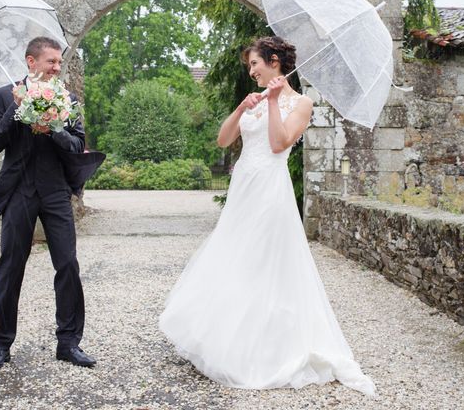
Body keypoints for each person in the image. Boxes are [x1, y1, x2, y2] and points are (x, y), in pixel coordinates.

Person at [159, 36, 375, 395]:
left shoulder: (301, 103)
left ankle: (266, 347)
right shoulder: (255, 98)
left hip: (270, 190)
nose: (251, 71)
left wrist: (274, 103)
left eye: (255, 64)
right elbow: (224, 141)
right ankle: (226, 338)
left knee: (264, 260)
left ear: (273, 61)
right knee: (235, 256)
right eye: (249, 67)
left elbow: (278, 143)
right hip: (245, 186)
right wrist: (243, 108)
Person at [0, 37, 95, 372]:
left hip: (56, 191)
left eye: (59, 63)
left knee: (68, 265)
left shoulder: (68, 99)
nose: (57, 68)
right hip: (18, 190)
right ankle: (0, 345)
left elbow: (77, 146)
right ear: (31, 62)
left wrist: (54, 128)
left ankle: (69, 342)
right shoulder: (4, 95)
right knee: (11, 267)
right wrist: (18, 111)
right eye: (51, 62)